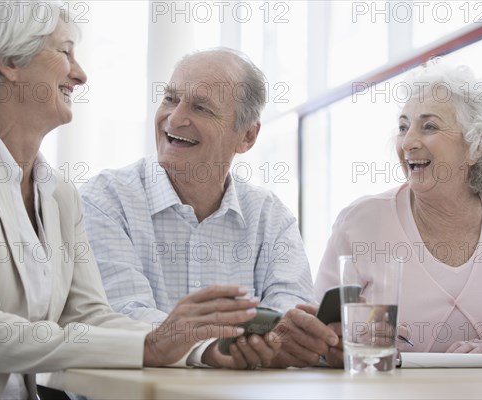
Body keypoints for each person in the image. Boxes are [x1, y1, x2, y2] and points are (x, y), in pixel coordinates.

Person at [0, 2, 261, 398]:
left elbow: (89, 315)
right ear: (10, 61)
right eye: (64, 52)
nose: (80, 74)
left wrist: (199, 346)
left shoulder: (59, 194)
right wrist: (148, 346)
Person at [79, 48, 337, 369]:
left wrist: (282, 339)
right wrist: (211, 348)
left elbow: (289, 306)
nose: (174, 119)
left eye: (200, 108)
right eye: (171, 99)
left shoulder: (270, 215)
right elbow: (121, 315)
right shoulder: (105, 199)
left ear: (247, 136)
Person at [315, 59, 482, 367]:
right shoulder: (360, 222)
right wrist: (342, 343)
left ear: (475, 146)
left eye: (429, 126)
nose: (408, 142)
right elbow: (315, 335)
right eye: (403, 127)